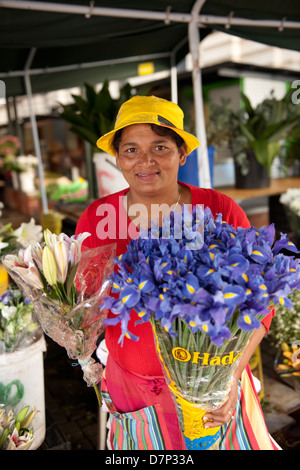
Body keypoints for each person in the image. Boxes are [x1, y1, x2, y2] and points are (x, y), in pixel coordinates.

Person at [75, 95, 277, 450]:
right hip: (133, 388)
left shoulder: (219, 209)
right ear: (118, 158)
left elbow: (260, 305)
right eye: (131, 149)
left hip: (214, 387)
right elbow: (86, 301)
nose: (146, 161)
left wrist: (228, 380)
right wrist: (77, 337)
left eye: (161, 147)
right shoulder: (97, 219)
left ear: (183, 154)